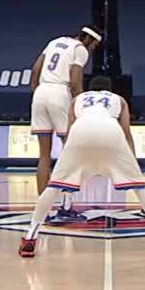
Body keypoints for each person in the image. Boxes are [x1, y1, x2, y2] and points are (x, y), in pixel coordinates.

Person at [19, 76, 145, 259]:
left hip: (80, 132)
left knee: (53, 187)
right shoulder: (119, 100)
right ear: (109, 89)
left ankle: (30, 238)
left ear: (90, 89)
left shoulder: (77, 100)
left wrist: (68, 161)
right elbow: (126, 133)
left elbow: (69, 132)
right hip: (110, 131)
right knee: (140, 188)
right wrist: (133, 163)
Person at [29, 27, 102, 193]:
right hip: (60, 93)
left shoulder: (55, 41)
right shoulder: (80, 49)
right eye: (94, 45)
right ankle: (66, 200)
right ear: (88, 39)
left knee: (44, 155)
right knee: (70, 150)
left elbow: (35, 70)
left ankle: (43, 201)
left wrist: (37, 92)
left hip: (41, 92)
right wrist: (81, 106)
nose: (93, 49)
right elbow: (75, 81)